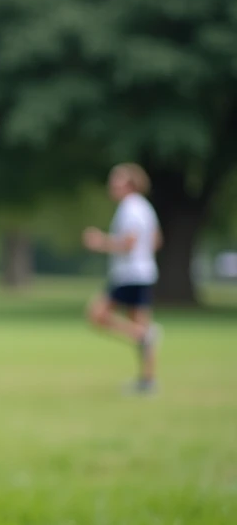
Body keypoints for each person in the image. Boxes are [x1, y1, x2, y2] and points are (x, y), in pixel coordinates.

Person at [83, 162, 162, 393]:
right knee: (140, 324)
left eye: (116, 180)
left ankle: (143, 334)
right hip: (144, 272)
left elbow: (129, 243)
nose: (111, 185)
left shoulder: (130, 208)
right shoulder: (145, 208)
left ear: (131, 184)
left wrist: (100, 242)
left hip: (129, 275)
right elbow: (156, 240)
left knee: (96, 314)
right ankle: (147, 381)